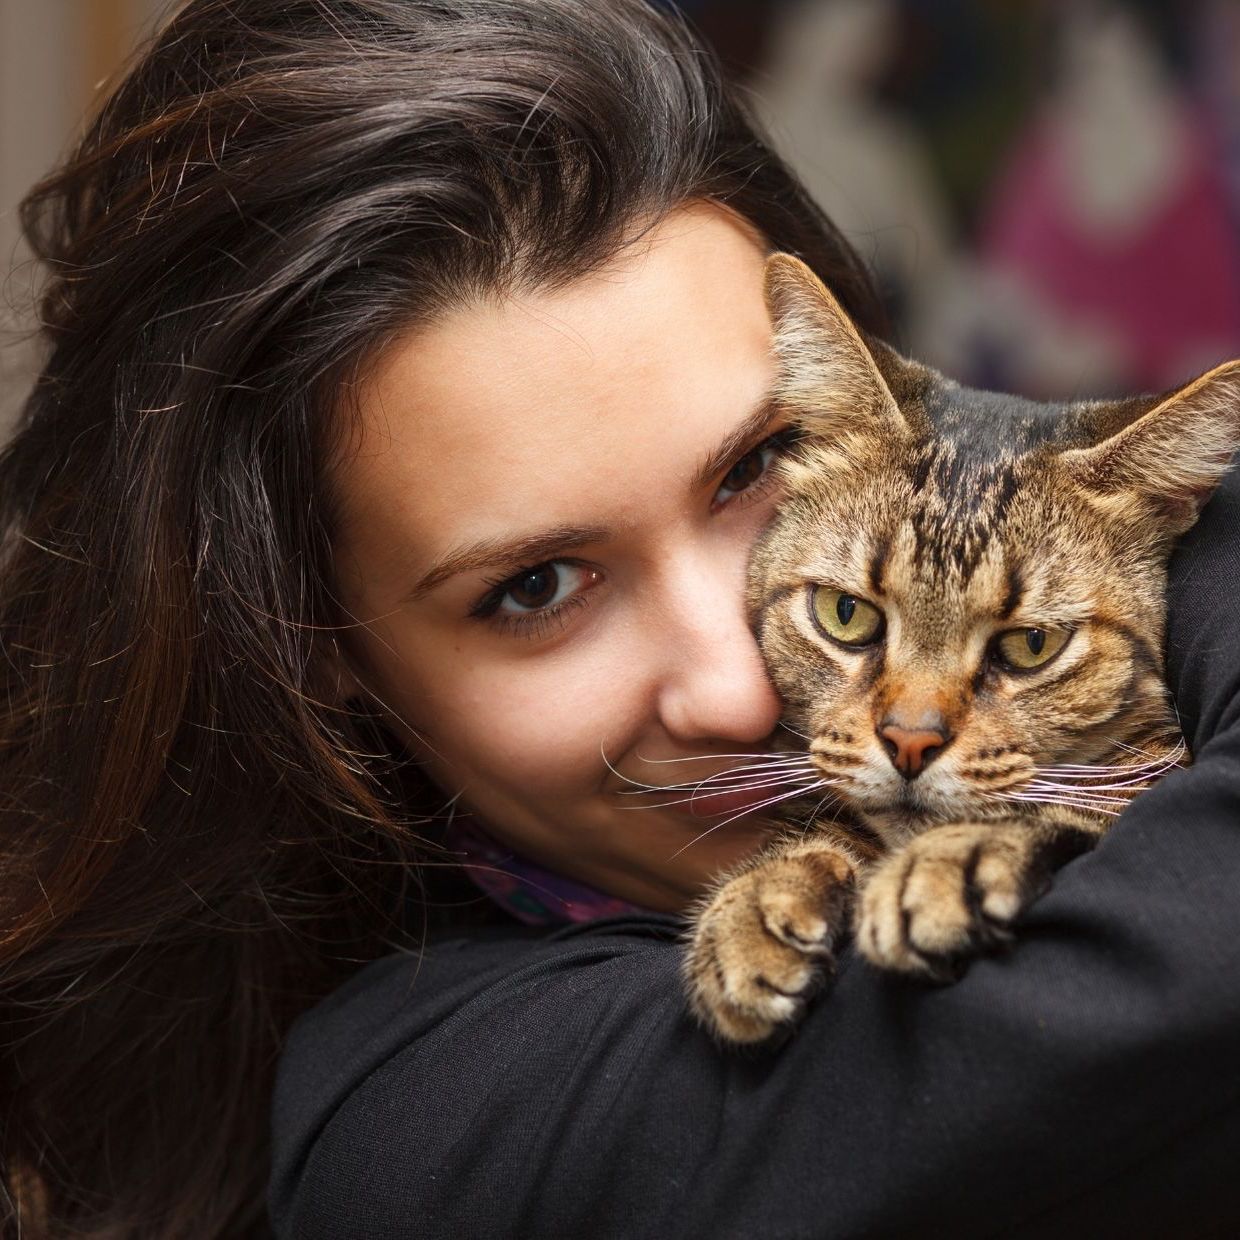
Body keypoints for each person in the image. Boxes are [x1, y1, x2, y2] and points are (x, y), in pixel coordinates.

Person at [1, 2, 1237, 1237]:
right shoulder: (423, 1122)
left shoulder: (962, 573)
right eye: (534, 587)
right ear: (313, 653)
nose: (742, 691)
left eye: (756, 465)